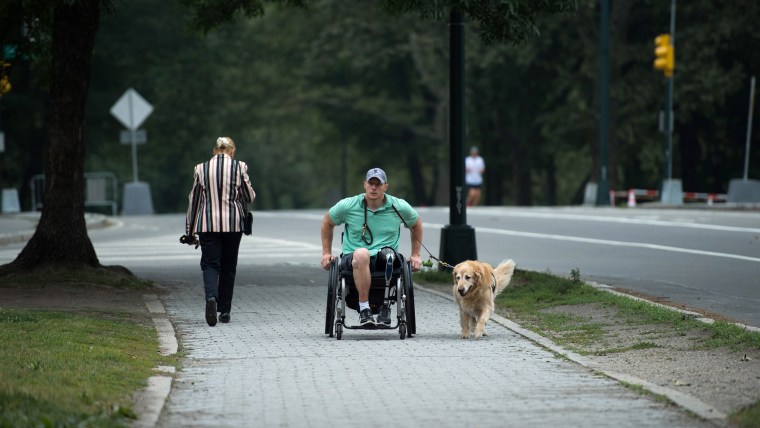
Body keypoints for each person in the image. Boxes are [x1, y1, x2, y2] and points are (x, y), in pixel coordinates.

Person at [321, 168, 423, 326]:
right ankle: (364, 310)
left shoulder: (398, 206)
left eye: (378, 184)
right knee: (362, 254)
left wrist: (416, 255)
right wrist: (326, 253)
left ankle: (386, 307)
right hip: (354, 257)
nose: (374, 187)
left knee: (389, 255)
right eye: (371, 183)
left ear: (385, 187)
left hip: (385, 256)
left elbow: (416, 224)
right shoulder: (348, 205)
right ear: (365, 185)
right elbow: (327, 222)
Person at [185, 137, 256, 326]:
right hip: (233, 224)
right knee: (228, 266)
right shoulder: (240, 167)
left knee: (210, 264)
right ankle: (224, 311)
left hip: (207, 224)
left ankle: (211, 298)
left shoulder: (200, 168)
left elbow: (194, 202)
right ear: (232, 151)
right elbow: (250, 196)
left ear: (214, 151)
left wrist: (190, 232)